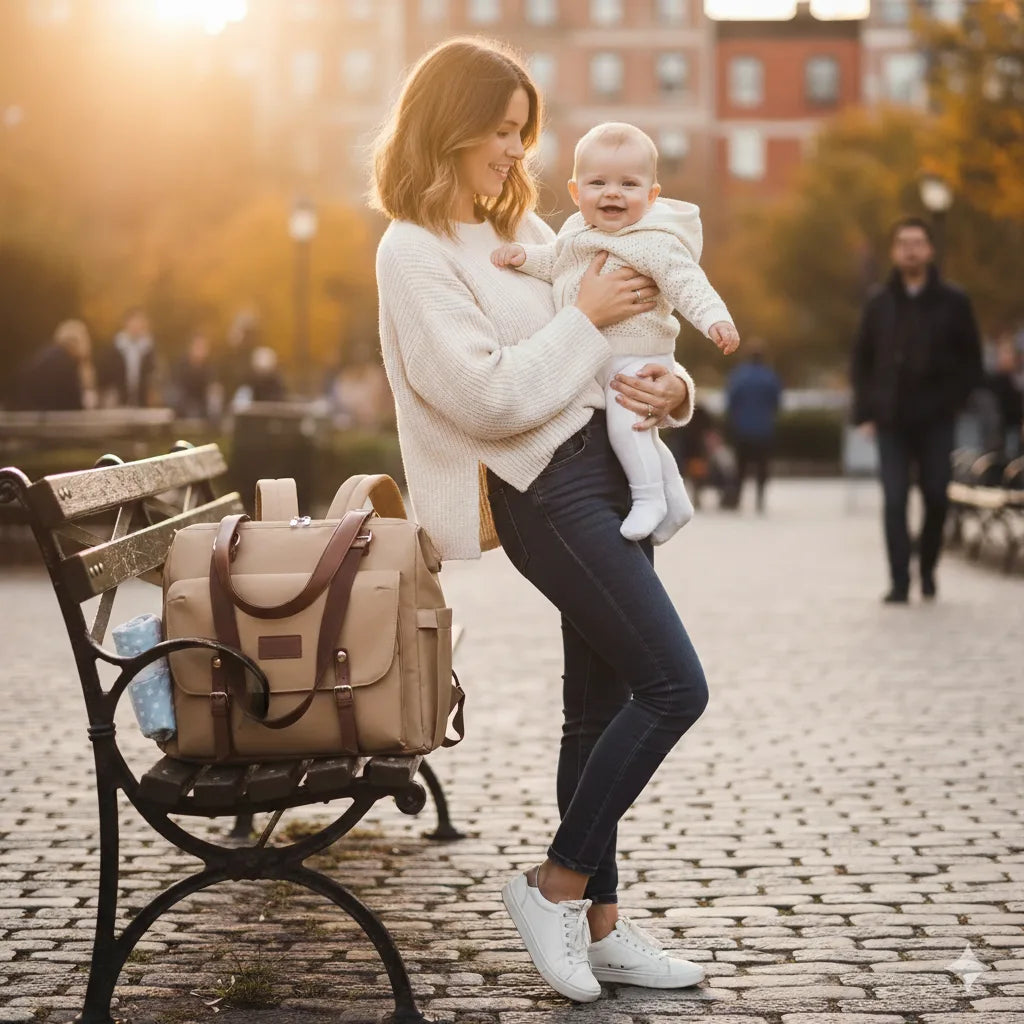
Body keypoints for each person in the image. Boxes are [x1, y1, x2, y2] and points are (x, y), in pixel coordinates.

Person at [371, 38, 710, 1004]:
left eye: (526, 134)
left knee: (597, 709)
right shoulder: (414, 249)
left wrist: (672, 387)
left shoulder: (508, 231)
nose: (518, 153)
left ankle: (601, 926)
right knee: (674, 686)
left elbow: (625, 342)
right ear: (451, 127)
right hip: (545, 491)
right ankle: (554, 884)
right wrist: (589, 317)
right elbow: (486, 397)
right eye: (504, 132)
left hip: (605, 471)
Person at [491, 122, 739, 542]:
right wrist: (522, 257)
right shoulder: (575, 234)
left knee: (629, 425)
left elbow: (688, 282)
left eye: (629, 184)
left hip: (638, 354)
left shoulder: (653, 240)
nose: (612, 193)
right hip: (598, 358)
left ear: (651, 195)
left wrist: (715, 318)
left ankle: (649, 499)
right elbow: (554, 263)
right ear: (575, 192)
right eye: (598, 182)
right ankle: (675, 500)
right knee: (641, 432)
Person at [851, 216, 982, 603]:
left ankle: (926, 567)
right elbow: (862, 359)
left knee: (937, 495)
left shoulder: (954, 302)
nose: (910, 249)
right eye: (903, 243)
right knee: (894, 500)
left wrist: (955, 399)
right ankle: (899, 581)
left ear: (929, 250)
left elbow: (972, 360)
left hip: (936, 418)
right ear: (894, 251)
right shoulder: (879, 302)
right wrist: (865, 412)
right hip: (890, 419)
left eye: (917, 242)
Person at [725, 340, 782, 513]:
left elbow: (731, 403)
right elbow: (777, 403)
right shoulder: (771, 377)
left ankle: (737, 499)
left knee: (740, 467)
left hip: (742, 429)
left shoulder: (738, 376)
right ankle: (760, 499)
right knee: (762, 467)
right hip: (764, 429)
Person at [17, 319, 96, 411]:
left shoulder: (46, 355)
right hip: (42, 418)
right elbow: (74, 404)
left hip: (26, 415)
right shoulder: (65, 363)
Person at [99, 307, 157, 407]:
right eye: (133, 322)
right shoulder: (115, 347)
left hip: (141, 402)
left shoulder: (148, 348)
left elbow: (153, 376)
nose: (136, 326)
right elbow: (105, 375)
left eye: (139, 322)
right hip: (118, 401)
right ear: (126, 323)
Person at [171, 330, 216, 419]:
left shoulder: (209, 367)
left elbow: (211, 388)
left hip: (202, 404)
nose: (201, 350)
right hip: (183, 403)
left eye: (204, 347)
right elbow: (177, 388)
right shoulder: (181, 365)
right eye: (198, 346)